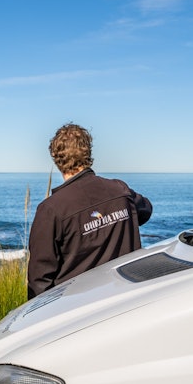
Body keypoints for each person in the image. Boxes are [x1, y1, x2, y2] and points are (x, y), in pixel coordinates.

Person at [28, 123, 153, 299]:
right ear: (88, 153)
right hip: (126, 299)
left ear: (55, 158)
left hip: (78, 309)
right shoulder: (120, 190)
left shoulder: (51, 210)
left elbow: (39, 281)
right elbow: (146, 210)